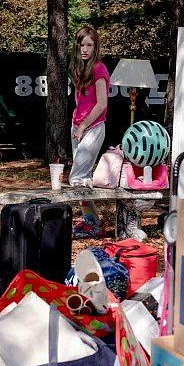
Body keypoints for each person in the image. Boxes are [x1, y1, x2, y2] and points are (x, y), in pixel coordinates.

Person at [69, 26, 109, 238]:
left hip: (93, 127)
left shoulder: (99, 69)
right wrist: (77, 122)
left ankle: (93, 223)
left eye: (89, 45)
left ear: (96, 47)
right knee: (81, 178)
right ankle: (92, 221)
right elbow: (79, 98)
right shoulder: (78, 69)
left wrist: (84, 125)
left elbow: (101, 104)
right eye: (81, 45)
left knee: (77, 177)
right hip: (77, 126)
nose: (85, 49)